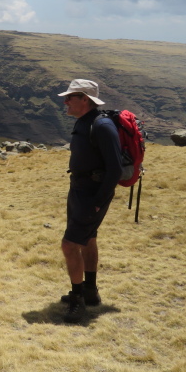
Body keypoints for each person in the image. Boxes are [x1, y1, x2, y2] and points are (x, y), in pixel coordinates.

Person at [57, 79, 123, 323]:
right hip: (80, 190)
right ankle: (90, 292)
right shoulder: (85, 122)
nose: (65, 102)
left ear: (84, 99)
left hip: (90, 195)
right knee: (88, 239)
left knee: (69, 245)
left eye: (70, 97)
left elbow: (115, 169)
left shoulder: (102, 125)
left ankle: (77, 300)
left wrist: (98, 201)